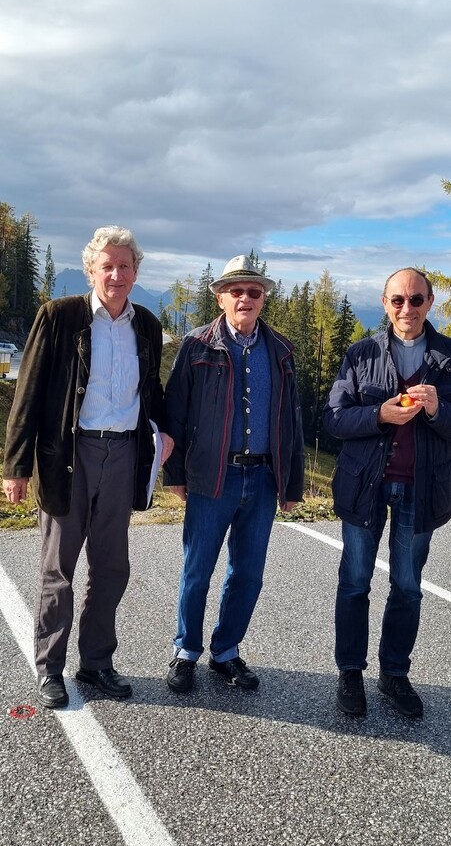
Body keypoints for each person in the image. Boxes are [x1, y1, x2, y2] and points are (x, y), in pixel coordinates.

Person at [2, 226, 173, 709]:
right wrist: (16, 465)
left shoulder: (147, 325)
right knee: (59, 569)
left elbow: (151, 391)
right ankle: (49, 668)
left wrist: (164, 431)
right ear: (91, 271)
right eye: (107, 266)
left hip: (123, 456)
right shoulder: (59, 316)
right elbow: (28, 392)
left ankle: (96, 663)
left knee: (112, 567)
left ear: (136, 272)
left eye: (125, 266)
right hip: (67, 457)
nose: (116, 275)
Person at [163, 255, 304, 693]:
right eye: (236, 291)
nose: (245, 297)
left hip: (262, 479)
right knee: (197, 570)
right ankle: (186, 651)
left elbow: (291, 420)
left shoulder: (281, 350)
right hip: (212, 476)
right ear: (220, 297)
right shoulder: (196, 345)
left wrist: (291, 483)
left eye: (254, 291)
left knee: (248, 574)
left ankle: (225, 652)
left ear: (263, 299)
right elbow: (174, 413)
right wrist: (175, 475)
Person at [323, 267, 451, 718]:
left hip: (423, 487)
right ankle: (350, 672)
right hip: (365, 486)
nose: (407, 309)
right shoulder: (360, 354)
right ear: (384, 304)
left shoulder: (448, 357)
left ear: (430, 303)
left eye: (416, 300)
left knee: (408, 587)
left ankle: (394, 674)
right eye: (398, 300)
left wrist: (437, 411)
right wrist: (379, 415)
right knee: (355, 582)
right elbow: (334, 419)